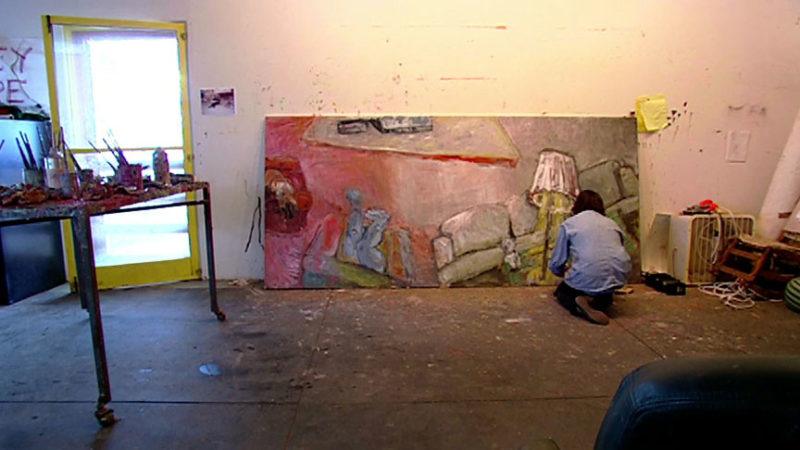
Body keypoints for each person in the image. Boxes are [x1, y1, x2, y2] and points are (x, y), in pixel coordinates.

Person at [548, 190, 631, 325]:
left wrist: (564, 272)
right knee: (606, 295)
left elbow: (556, 263)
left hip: (588, 276)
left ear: (577, 205)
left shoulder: (569, 224)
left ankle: (578, 304)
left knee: (562, 292)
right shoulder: (612, 224)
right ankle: (596, 302)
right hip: (618, 278)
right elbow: (616, 253)